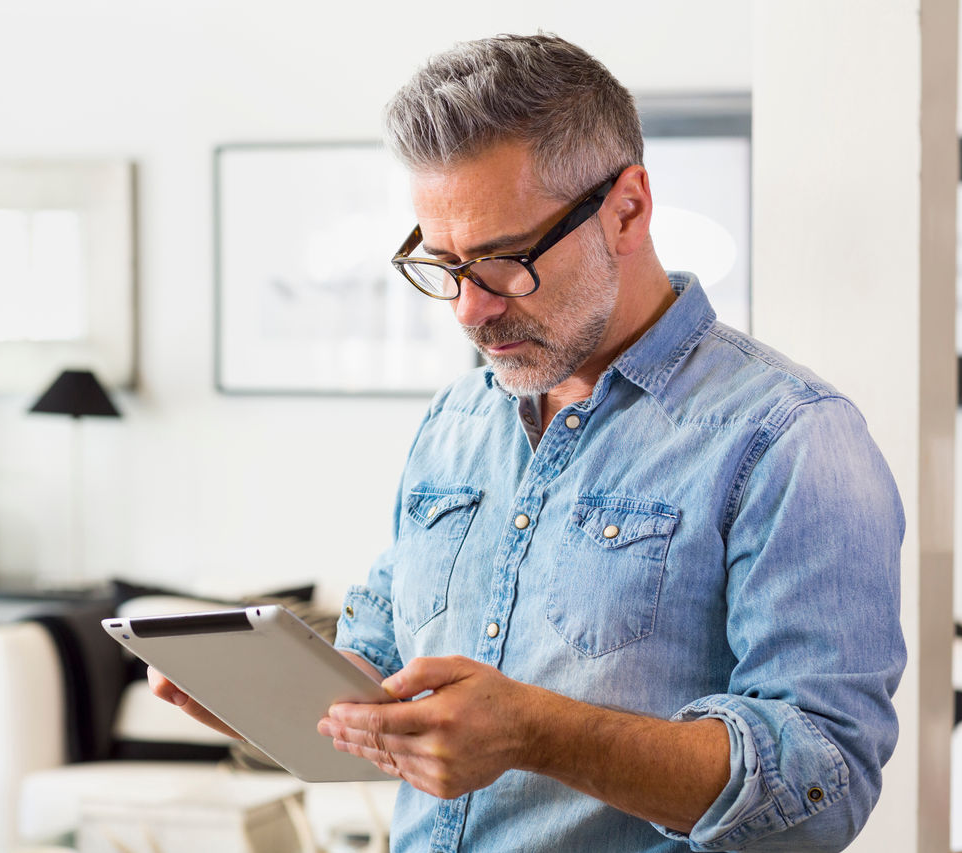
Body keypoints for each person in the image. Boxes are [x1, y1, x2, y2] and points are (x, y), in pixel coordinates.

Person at [153, 33, 906, 852]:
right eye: (442, 263)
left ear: (627, 209)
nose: (468, 310)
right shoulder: (456, 421)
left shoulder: (790, 438)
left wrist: (536, 732)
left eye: (504, 262)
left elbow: (823, 785)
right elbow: (380, 658)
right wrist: (281, 695)